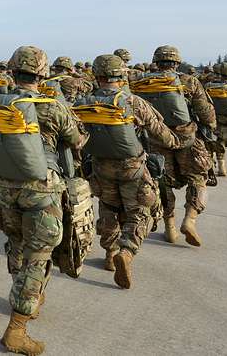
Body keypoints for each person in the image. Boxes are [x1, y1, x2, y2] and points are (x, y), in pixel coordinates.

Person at [0, 46, 84, 356]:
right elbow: (77, 140)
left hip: (3, 189)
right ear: (42, 74)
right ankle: (16, 329)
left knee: (17, 244)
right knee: (38, 255)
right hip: (41, 192)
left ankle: (26, 294)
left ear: (12, 71)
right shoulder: (52, 106)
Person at [74, 55, 178, 288]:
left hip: (101, 166)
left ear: (97, 75)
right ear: (122, 75)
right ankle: (127, 251)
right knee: (139, 212)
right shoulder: (132, 102)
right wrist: (175, 143)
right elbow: (159, 132)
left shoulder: (82, 102)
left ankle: (110, 254)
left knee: (109, 208)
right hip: (133, 168)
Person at [130, 45, 216, 247]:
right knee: (198, 177)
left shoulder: (142, 82)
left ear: (156, 61)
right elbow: (206, 113)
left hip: (156, 139)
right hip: (187, 137)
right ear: (177, 62)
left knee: (163, 183)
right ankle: (190, 220)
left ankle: (170, 228)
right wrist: (210, 127)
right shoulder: (188, 81)